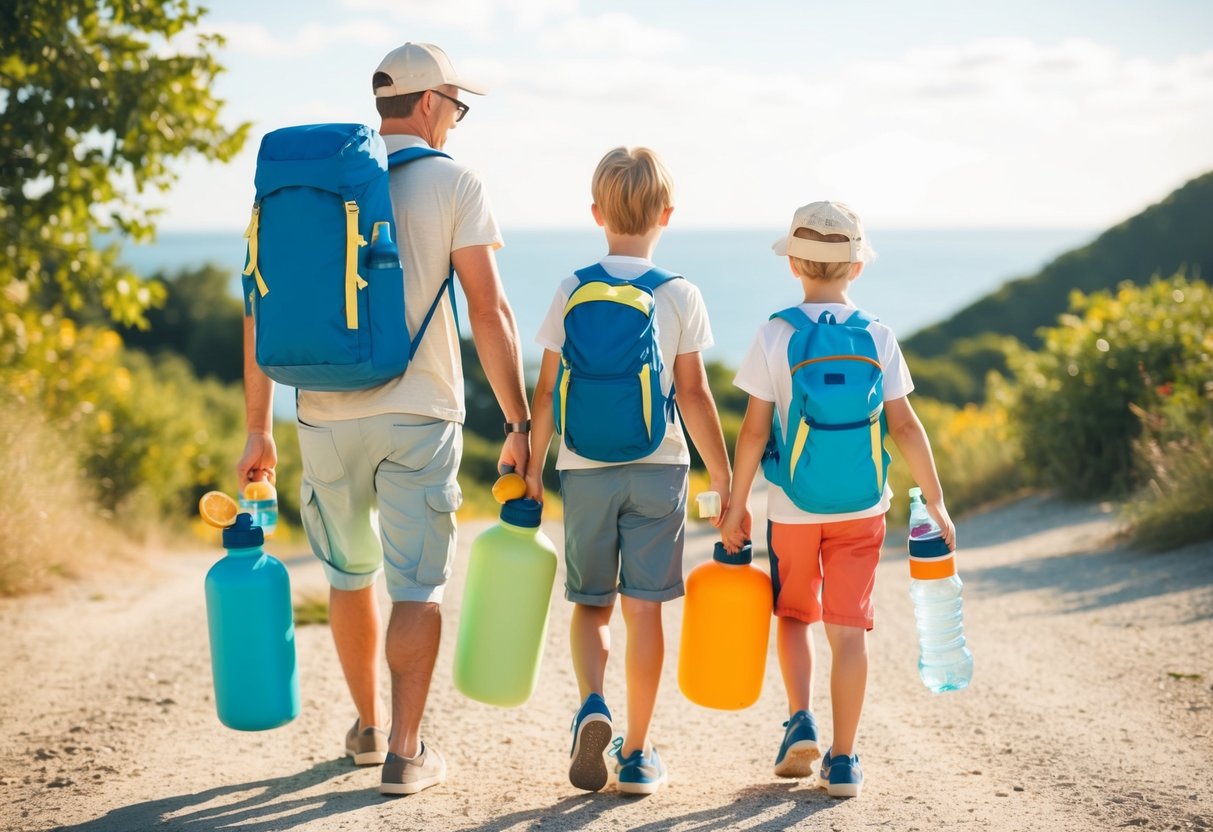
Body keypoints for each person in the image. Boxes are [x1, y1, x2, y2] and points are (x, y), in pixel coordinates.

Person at [237, 42, 531, 797]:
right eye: (456, 107)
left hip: (321, 413)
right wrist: (519, 420)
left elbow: (257, 311)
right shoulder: (455, 182)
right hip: (419, 411)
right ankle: (405, 752)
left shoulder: (307, 184)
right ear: (430, 102)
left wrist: (258, 429)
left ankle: (367, 728)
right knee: (417, 585)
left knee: (347, 574)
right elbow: (490, 312)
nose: (456, 122)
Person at [719, 200, 956, 799]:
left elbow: (752, 430)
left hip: (795, 508)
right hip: (862, 508)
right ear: (856, 267)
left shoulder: (775, 332)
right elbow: (905, 427)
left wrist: (736, 503)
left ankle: (800, 719)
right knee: (848, 632)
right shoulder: (877, 334)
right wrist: (937, 500)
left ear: (795, 263)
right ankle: (844, 761)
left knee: (795, 616)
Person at [525, 146, 732, 796]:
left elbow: (546, 391)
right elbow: (694, 394)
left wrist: (532, 468)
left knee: (591, 606)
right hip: (659, 468)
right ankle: (637, 753)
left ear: (595, 213)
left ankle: (593, 704)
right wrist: (722, 478)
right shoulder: (678, 294)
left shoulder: (569, 288)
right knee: (645, 612)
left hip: (583, 468)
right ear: (666, 215)